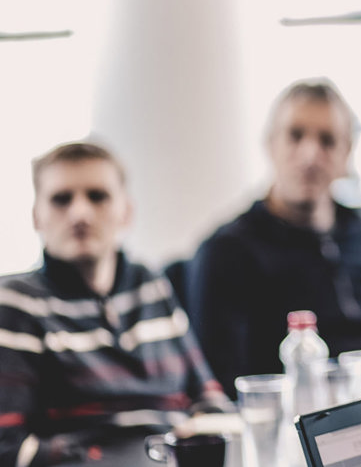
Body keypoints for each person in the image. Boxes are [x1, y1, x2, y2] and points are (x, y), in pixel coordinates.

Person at [0, 141, 230, 467]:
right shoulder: (17, 303)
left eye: (97, 196)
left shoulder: (150, 284)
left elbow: (210, 401)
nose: (80, 212)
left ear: (126, 211)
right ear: (37, 217)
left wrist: (198, 440)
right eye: (61, 199)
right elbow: (7, 448)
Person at [187, 79, 361, 397]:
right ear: (270, 144)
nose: (310, 154)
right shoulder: (227, 252)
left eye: (327, 140)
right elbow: (225, 385)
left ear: (347, 152)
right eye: (295, 136)